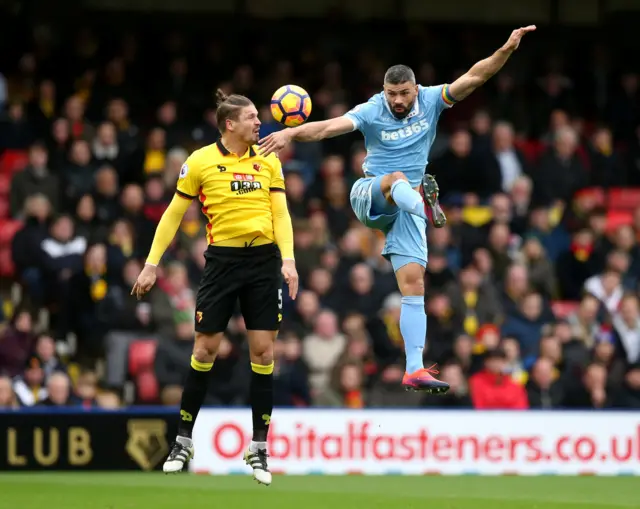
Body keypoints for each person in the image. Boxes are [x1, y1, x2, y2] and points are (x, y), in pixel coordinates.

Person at [260, 26, 536, 393]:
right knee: (394, 179)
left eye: (404, 93)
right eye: (392, 94)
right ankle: (426, 205)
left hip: (406, 208)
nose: (398, 100)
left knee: (413, 284)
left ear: (416, 89)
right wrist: (291, 134)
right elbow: (330, 127)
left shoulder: (433, 99)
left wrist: (506, 48)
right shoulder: (373, 109)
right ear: (384, 91)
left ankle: (414, 367)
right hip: (371, 194)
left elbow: (476, 76)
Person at [131, 90, 299, 485]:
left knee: (263, 351)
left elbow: (280, 212)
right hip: (222, 263)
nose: (261, 122)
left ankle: (259, 447)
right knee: (204, 348)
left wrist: (288, 260)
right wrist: (151, 264)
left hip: (263, 263)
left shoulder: (269, 158)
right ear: (230, 124)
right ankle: (183, 440)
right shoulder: (200, 161)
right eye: (253, 118)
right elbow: (174, 214)